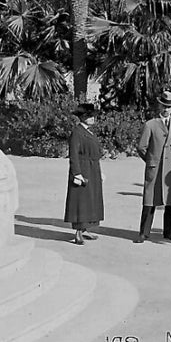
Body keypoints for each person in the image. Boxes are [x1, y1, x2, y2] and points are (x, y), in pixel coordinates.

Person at [136, 90, 171, 243]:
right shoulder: (150, 125)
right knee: (150, 201)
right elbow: (141, 147)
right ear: (160, 106)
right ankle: (143, 233)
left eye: (169, 107)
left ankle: (168, 232)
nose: (166, 109)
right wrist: (151, 161)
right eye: (164, 106)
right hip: (155, 167)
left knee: (170, 201)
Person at [64, 102, 104, 245]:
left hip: (93, 169)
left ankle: (85, 228)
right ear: (82, 117)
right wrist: (77, 173)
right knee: (81, 201)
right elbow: (73, 155)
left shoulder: (89, 132)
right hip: (83, 169)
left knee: (91, 200)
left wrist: (100, 171)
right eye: (89, 116)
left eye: (93, 116)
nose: (93, 118)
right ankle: (78, 232)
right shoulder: (77, 132)